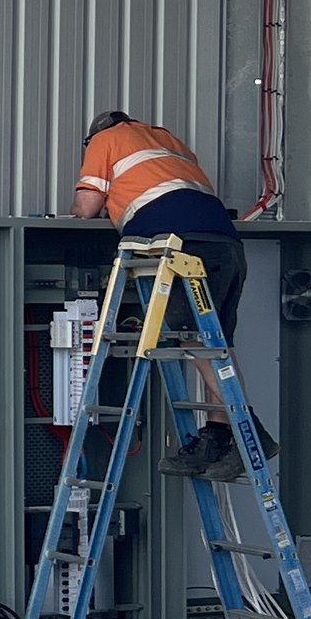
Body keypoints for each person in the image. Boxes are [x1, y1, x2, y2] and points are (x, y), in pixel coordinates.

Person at [70, 110, 272, 479]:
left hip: (182, 249)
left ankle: (250, 433)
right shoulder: (170, 141)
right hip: (225, 245)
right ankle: (217, 435)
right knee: (217, 345)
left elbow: (86, 209)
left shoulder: (106, 139)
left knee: (191, 341)